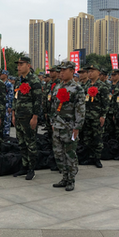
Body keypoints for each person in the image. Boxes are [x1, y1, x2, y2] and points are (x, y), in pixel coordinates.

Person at [49, 61, 85, 191]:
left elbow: (80, 109)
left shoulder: (77, 88)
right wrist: (52, 122)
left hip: (69, 127)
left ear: (72, 71)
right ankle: (64, 177)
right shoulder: (57, 87)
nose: (62, 73)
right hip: (57, 126)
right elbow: (53, 106)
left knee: (70, 154)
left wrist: (77, 127)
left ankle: (71, 179)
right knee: (58, 154)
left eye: (64, 70)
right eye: (60, 70)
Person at [12, 57, 42, 180]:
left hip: (29, 117)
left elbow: (38, 100)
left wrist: (35, 117)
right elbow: (15, 98)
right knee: (21, 143)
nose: (19, 66)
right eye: (18, 64)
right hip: (19, 116)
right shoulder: (19, 81)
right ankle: (24, 166)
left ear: (28, 65)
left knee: (31, 143)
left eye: (21, 64)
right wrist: (13, 114)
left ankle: (31, 168)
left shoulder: (34, 81)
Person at [82, 65, 110, 166]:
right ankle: (90, 157)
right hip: (87, 116)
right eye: (89, 71)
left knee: (97, 138)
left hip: (97, 117)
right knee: (87, 138)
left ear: (98, 73)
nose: (90, 73)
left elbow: (106, 103)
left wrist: (103, 116)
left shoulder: (102, 86)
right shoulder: (86, 85)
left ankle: (97, 158)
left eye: (92, 71)